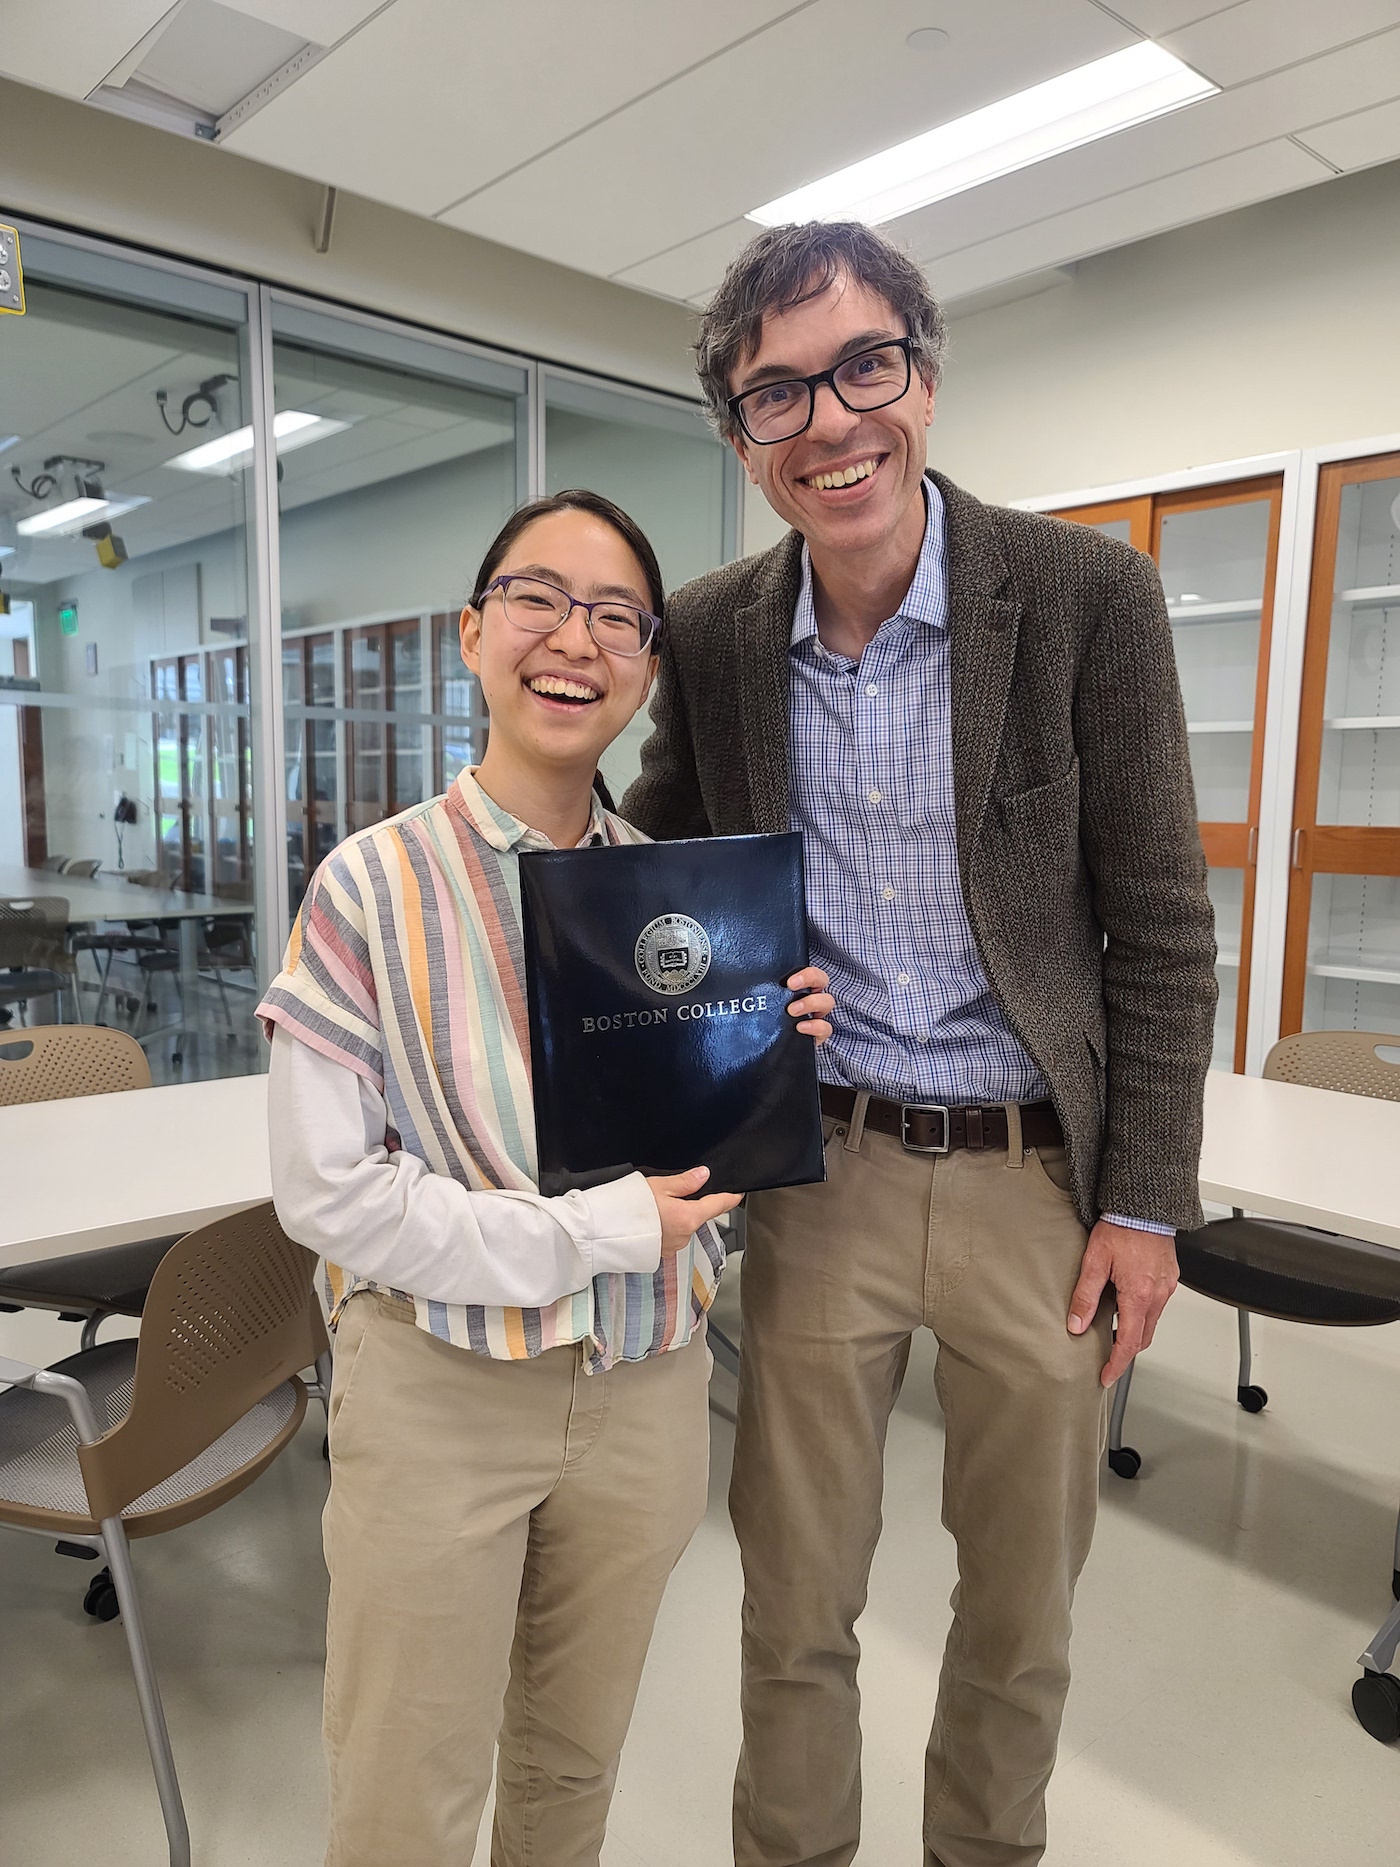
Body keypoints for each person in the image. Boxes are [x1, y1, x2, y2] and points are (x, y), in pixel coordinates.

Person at [623, 222, 1217, 1867]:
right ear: (744, 444)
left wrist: (1148, 1201)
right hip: (825, 1175)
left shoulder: (1088, 598)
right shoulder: (721, 632)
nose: (830, 421)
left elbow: (1161, 932)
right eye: (776, 395)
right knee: (794, 1607)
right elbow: (652, 879)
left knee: (1021, 1614)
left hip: (1045, 1182)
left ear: (925, 379)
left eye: (862, 367)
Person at [258, 488, 835, 1867]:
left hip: (646, 1396)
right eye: (537, 598)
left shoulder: (686, 903)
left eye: (616, 616)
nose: (573, 639)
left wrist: (767, 1059)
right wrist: (593, 1232)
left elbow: (710, 1180)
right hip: (444, 1398)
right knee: (405, 1793)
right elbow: (329, 1198)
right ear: (473, 633)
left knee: (574, 1774)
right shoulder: (367, 887)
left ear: (645, 669)